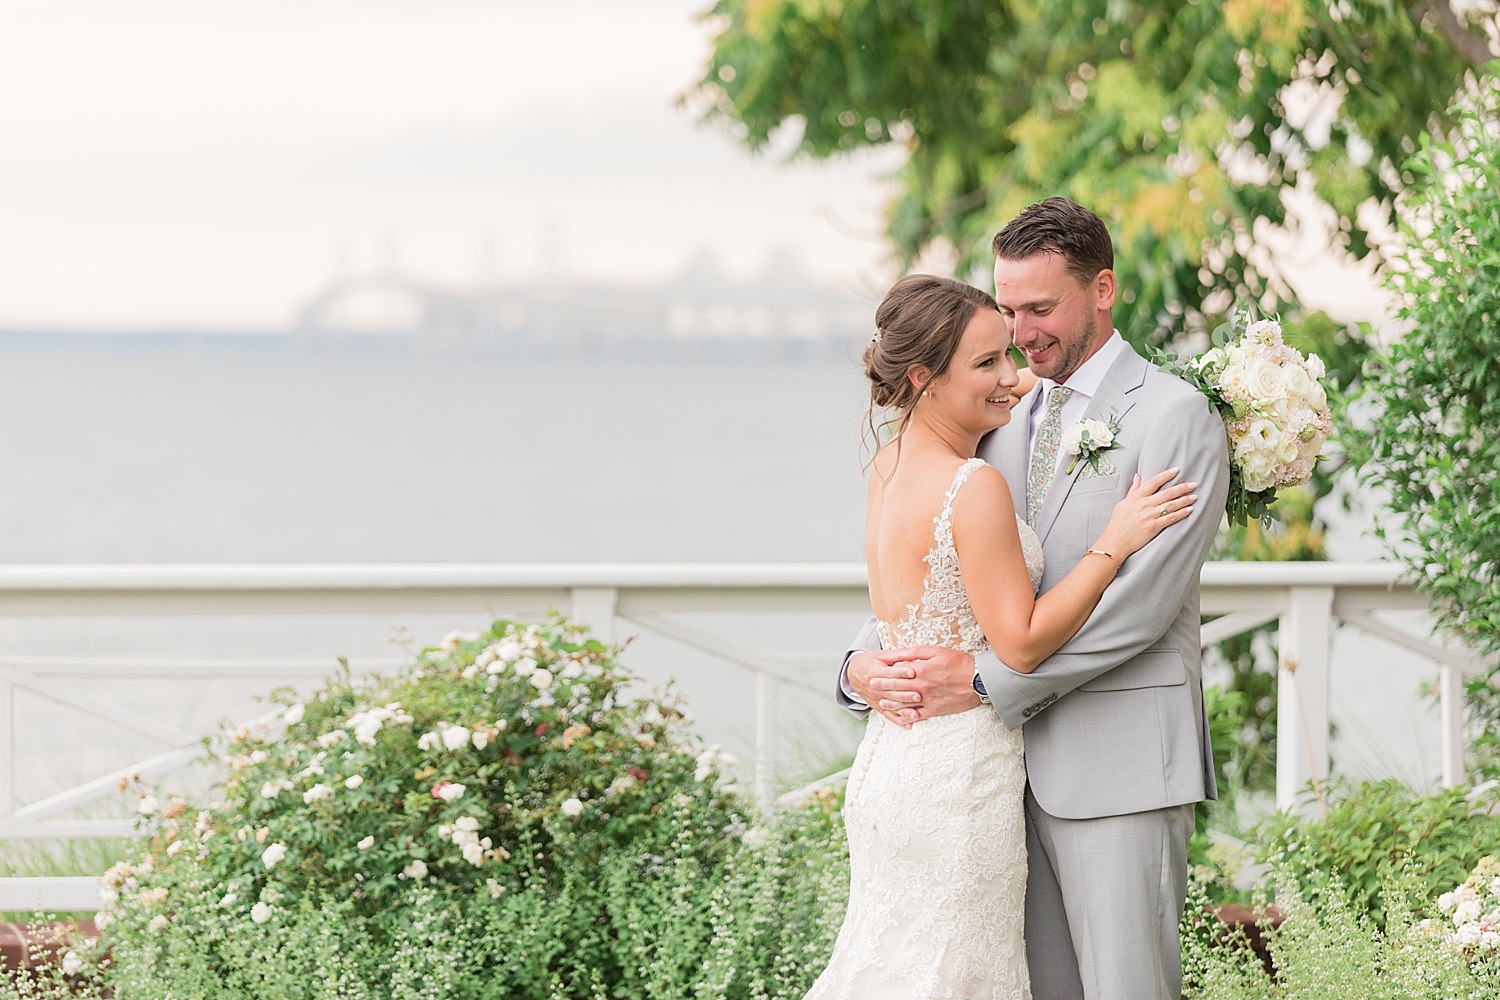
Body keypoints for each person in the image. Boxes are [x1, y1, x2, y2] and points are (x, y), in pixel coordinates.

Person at [807, 201, 1224, 998]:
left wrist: (983, 684)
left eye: (1040, 308)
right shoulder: (997, 415)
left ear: (1102, 290)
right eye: (1006, 309)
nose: (1021, 334)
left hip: (1116, 767)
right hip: (992, 787)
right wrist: (862, 666)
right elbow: (943, 570)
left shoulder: (1174, 416)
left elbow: (1140, 611)